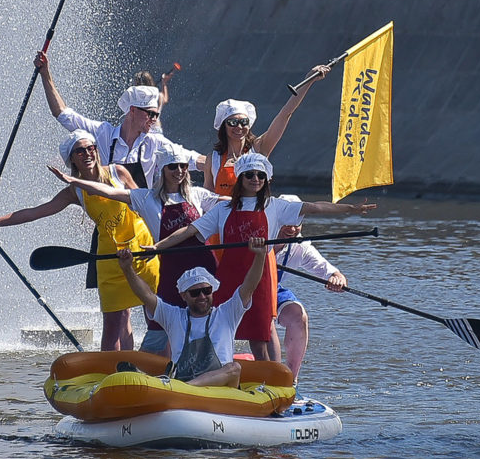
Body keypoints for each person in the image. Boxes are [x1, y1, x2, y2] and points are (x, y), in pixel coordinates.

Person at [147, 152, 374, 362]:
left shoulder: (274, 206)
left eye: (260, 175)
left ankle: (269, 383)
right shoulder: (223, 210)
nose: (255, 179)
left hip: (261, 277)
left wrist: (349, 210)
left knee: (259, 336)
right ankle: (209, 371)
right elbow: (189, 231)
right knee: (217, 328)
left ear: (266, 179)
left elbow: (314, 207)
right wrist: (157, 247)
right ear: (241, 177)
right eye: (249, 175)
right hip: (229, 275)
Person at [0, 130, 159, 351]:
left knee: (155, 316)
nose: (87, 154)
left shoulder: (118, 172)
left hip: (143, 251)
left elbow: (148, 206)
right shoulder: (75, 192)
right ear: (72, 158)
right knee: (112, 325)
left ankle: (163, 371)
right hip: (109, 259)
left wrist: (158, 245)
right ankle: (112, 375)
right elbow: (37, 212)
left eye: (91, 148)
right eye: (80, 151)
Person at [47, 144, 225, 357]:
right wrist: (74, 180)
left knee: (207, 318)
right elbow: (110, 191)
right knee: (161, 325)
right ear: (163, 171)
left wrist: (255, 197)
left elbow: (231, 203)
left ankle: (210, 362)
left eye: (183, 167)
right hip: (169, 271)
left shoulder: (198, 194)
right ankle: (149, 372)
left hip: (202, 268)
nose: (179, 171)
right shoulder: (146, 198)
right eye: (173, 167)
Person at [117, 237, 269, 387]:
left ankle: (172, 386)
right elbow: (146, 295)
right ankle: (168, 385)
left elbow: (249, 286)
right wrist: (127, 268)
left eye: (206, 290)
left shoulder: (226, 313)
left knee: (234, 368)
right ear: (184, 296)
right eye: (195, 293)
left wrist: (260, 255)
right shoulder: (174, 317)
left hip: (221, 389)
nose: (202, 296)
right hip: (182, 387)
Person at [35, 51, 202, 187]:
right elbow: (62, 114)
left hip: (141, 222)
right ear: (133, 111)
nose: (154, 119)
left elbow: (194, 159)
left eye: (156, 115)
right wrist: (45, 74)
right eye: (150, 114)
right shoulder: (102, 133)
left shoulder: (155, 142)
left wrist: (222, 162)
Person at [202, 63, 330, 195]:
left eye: (243, 122)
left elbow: (285, 114)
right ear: (224, 126)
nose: (239, 127)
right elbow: (207, 199)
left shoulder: (259, 148)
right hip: (223, 216)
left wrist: (309, 79)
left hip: (255, 215)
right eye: (233, 122)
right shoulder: (213, 159)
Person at [269, 214, 347, 385]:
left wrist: (336, 278)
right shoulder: (261, 234)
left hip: (272, 289)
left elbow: (327, 269)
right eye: (286, 224)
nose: (292, 229)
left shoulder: (300, 246)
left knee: (299, 316)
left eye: (297, 225)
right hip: (242, 287)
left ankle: (290, 380)